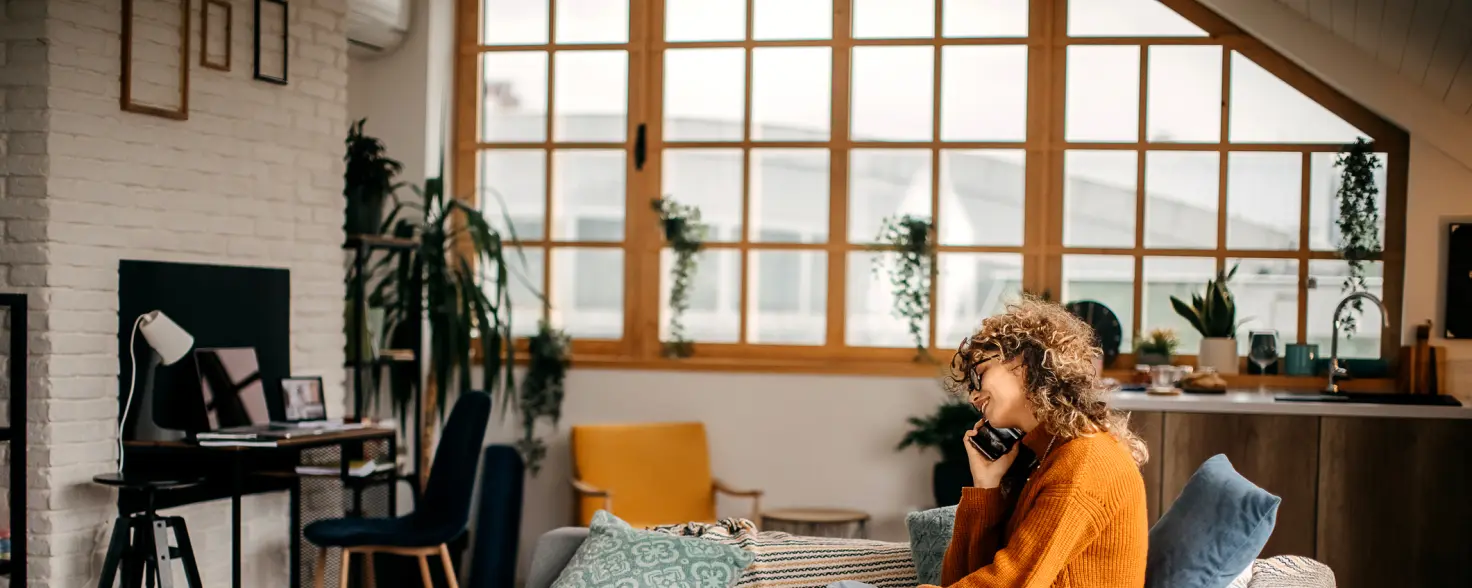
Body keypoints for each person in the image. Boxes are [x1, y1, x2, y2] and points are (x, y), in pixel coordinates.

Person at [924, 297, 1149, 588]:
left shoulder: (1085, 461)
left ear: (1025, 363)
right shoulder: (1044, 455)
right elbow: (959, 580)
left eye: (980, 375)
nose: (972, 397)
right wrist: (986, 488)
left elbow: (1017, 583)